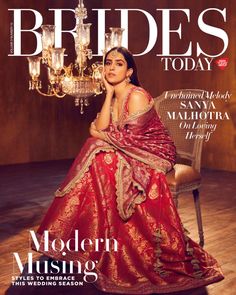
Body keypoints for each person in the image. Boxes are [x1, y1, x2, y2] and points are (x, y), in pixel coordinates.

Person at [35, 47, 224, 294]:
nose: (111, 68)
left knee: (99, 153)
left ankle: (99, 240)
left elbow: (126, 139)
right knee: (99, 154)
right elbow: (101, 130)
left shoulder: (137, 95)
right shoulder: (114, 96)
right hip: (127, 149)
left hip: (153, 154)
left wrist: (101, 136)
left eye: (118, 64)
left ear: (130, 71)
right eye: (107, 63)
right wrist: (108, 94)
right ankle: (98, 242)